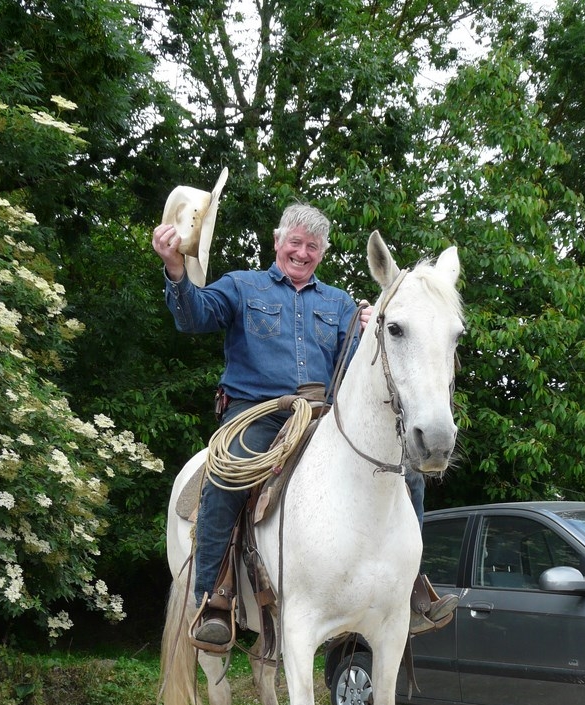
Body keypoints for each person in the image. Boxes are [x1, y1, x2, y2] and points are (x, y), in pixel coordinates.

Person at [152, 201, 457, 650]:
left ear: (322, 252)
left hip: (321, 416)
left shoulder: (339, 303)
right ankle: (213, 598)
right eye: (295, 242)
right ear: (278, 242)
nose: (302, 252)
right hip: (256, 412)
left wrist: (372, 330)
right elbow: (193, 315)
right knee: (226, 474)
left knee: (405, 471)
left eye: (312, 246)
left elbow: (362, 370)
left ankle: (408, 588)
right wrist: (176, 269)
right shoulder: (242, 286)